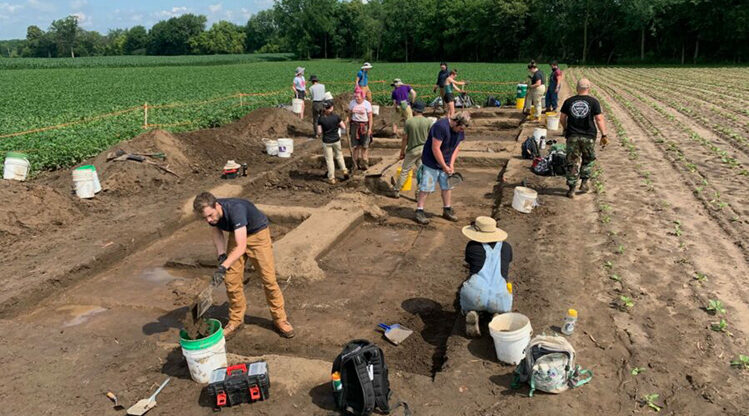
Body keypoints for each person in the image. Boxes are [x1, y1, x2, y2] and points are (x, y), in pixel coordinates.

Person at [192, 192, 295, 339]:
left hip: (257, 235)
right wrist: (221, 255)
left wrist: (223, 267)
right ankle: (236, 321)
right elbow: (216, 232)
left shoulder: (236, 210)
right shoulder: (211, 212)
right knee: (231, 281)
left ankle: (280, 319)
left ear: (217, 205)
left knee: (268, 280)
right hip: (237, 234)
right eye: (205, 218)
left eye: (210, 215)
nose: (209, 219)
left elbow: (241, 247)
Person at [459, 216, 513, 338]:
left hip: (475, 294)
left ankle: (472, 312)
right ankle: (497, 315)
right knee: (502, 295)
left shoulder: (472, 247)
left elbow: (471, 265)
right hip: (500, 295)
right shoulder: (506, 247)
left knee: (467, 289)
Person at [415, 112, 471, 225]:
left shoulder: (460, 130)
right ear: (455, 122)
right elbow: (435, 148)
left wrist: (451, 164)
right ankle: (419, 210)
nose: (461, 131)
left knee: (447, 186)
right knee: (426, 186)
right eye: (460, 128)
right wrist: (443, 166)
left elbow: (456, 148)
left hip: (446, 161)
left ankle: (447, 209)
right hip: (431, 161)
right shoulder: (440, 127)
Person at [560, 78, 609, 199]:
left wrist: (565, 128)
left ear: (577, 88)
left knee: (572, 161)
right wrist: (604, 134)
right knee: (588, 159)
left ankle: (571, 189)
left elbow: (562, 118)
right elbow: (599, 119)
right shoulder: (594, 102)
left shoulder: (569, 101)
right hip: (588, 136)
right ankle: (584, 183)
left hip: (572, 135)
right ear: (588, 88)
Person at [390, 100, 430, 198]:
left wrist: (402, 152)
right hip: (423, 150)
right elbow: (429, 137)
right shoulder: (428, 121)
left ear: (414, 110)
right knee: (422, 172)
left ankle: (396, 190)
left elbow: (405, 138)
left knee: (405, 171)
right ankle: (419, 192)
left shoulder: (409, 122)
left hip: (412, 150)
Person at [317, 100, 349, 184]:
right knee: (339, 156)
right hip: (336, 140)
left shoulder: (321, 119)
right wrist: (343, 122)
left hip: (327, 141)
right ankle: (344, 170)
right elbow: (343, 127)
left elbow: (319, 132)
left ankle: (331, 178)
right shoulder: (336, 117)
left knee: (329, 160)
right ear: (332, 108)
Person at [346, 91, 374, 170]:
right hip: (354, 126)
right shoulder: (352, 103)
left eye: (358, 97)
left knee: (364, 146)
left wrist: (370, 129)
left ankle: (365, 163)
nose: (356, 98)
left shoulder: (367, 104)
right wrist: (347, 120)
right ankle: (355, 164)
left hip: (364, 126)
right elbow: (350, 114)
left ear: (363, 97)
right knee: (355, 146)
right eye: (355, 96)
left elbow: (370, 117)